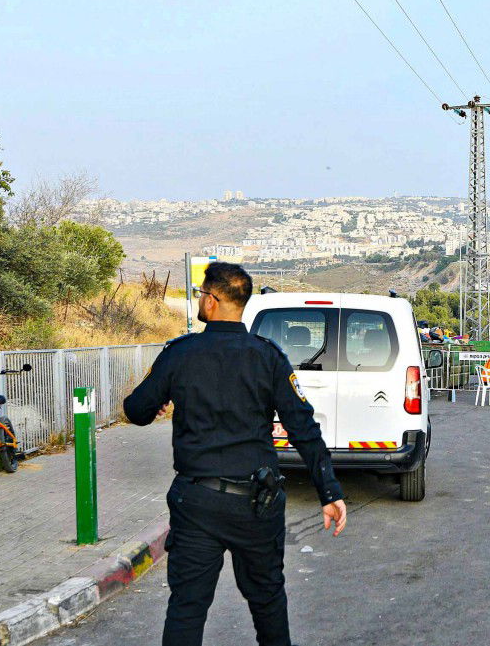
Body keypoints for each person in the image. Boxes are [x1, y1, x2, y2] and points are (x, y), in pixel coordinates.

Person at [123, 262, 347, 646]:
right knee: (268, 602)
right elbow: (303, 427)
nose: (200, 301)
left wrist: (161, 403)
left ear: (212, 301)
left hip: (197, 501)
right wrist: (329, 492)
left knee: (187, 608)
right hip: (256, 504)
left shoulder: (180, 353)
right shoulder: (267, 356)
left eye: (201, 295)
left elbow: (136, 410)